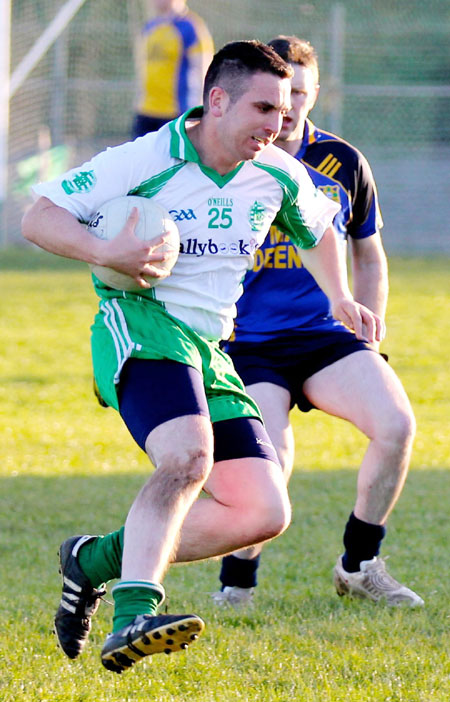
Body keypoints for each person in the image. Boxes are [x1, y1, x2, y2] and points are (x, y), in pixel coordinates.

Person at [22, 40, 383, 675]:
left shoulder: (275, 170)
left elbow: (321, 227)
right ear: (217, 101)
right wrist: (105, 252)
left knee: (263, 511)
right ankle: (135, 610)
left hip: (211, 346)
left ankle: (94, 560)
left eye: (285, 108)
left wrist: (341, 298)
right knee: (188, 456)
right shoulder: (148, 158)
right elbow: (39, 215)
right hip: (140, 322)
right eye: (263, 107)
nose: (277, 123)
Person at [212, 35, 423, 609]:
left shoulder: (344, 162)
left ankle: (360, 564)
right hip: (249, 342)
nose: (288, 111)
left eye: (300, 95)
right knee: (271, 461)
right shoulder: (227, 158)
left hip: (327, 336)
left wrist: (369, 321)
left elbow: (368, 252)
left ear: (313, 93)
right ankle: (237, 585)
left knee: (396, 425)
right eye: (278, 99)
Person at [131, 0, 213, 139]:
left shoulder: (190, 27)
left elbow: (203, 71)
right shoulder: (149, 28)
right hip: (146, 111)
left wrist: (199, 111)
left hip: (176, 114)